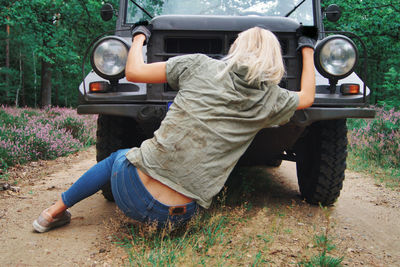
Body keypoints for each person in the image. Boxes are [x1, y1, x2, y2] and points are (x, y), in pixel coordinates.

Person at [32, 26, 315, 233]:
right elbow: (307, 98)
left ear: (236, 49)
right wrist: (307, 50)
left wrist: (139, 37)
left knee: (119, 156)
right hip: (176, 217)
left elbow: (134, 73)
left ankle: (51, 214)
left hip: (129, 191)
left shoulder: (199, 65)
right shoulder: (271, 98)